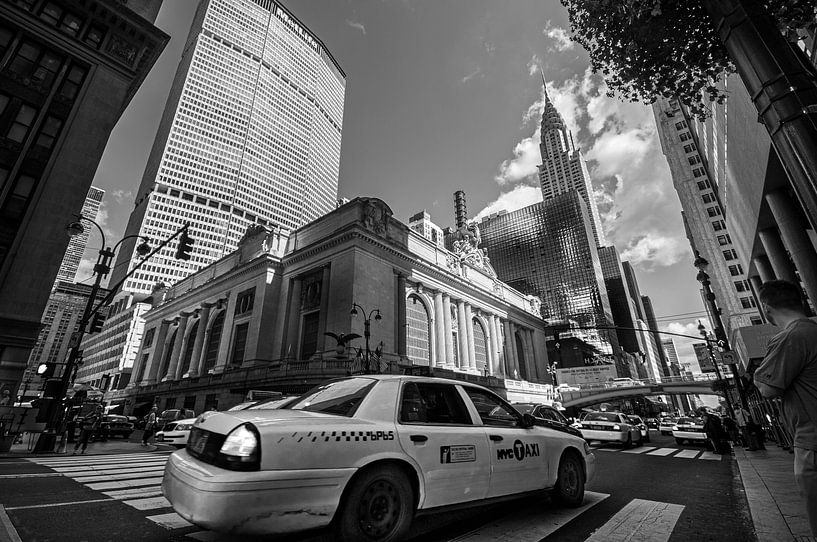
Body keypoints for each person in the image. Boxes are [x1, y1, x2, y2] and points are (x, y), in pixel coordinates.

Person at [753, 280, 817, 536]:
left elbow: (768, 388)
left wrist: (759, 374)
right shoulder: (810, 331)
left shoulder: (792, 337)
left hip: (812, 440)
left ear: (765, 307)